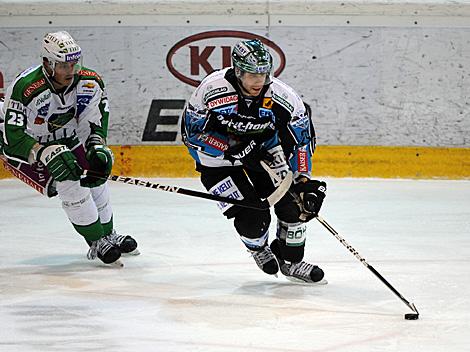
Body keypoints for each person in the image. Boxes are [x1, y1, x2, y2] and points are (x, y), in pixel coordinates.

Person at [181, 39, 327, 283]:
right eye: (251, 74)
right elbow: (192, 134)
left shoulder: (283, 96)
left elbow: (303, 139)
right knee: (253, 220)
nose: (258, 81)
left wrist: (302, 178)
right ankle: (258, 248)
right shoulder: (212, 89)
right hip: (217, 162)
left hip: (264, 153)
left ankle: (292, 261)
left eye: (263, 73)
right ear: (238, 71)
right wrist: (233, 147)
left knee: (295, 204)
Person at [0, 31, 139, 265]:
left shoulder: (89, 82)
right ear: (47, 63)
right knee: (68, 182)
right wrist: (43, 152)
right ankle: (96, 241)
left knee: (96, 176)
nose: (71, 70)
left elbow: (93, 120)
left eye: (74, 63)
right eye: (63, 65)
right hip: (27, 148)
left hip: (67, 138)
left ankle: (108, 233)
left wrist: (96, 145)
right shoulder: (26, 88)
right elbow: (12, 139)